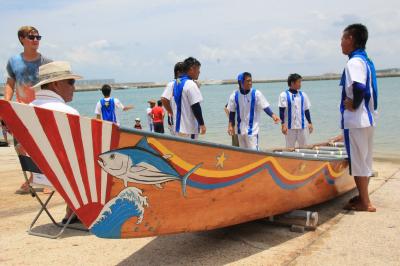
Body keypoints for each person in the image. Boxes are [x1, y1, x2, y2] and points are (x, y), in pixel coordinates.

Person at [1, 26, 52, 194]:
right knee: (20, 147)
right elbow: (10, 83)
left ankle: (46, 179)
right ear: (22, 39)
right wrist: (6, 104)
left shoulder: (46, 62)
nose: (36, 40)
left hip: (41, 109)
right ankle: (34, 176)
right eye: (32, 37)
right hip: (20, 110)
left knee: (42, 146)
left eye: (38, 37)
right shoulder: (13, 61)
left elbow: (53, 86)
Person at [31, 61, 83, 223]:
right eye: (71, 82)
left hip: (38, 175)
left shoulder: (27, 109)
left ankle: (72, 210)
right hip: (62, 177)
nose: (74, 87)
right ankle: (79, 210)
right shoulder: (67, 113)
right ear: (56, 84)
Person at [340, 23, 378, 212]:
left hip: (356, 120)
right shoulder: (366, 61)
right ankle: (363, 198)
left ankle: (365, 202)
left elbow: (359, 87)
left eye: (342, 39)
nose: (340, 43)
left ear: (351, 39)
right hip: (369, 118)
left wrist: (353, 104)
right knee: (365, 160)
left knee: (357, 162)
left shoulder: (354, 62)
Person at [227, 72, 280, 150]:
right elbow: (232, 112)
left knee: (254, 152)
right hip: (240, 131)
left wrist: (273, 115)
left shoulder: (256, 94)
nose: (250, 83)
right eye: (248, 81)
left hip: (252, 131)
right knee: (243, 153)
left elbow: (265, 107)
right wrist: (230, 126)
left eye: (251, 80)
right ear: (241, 82)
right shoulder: (234, 96)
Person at [170, 57, 206, 139]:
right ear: (192, 69)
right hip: (189, 129)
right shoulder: (190, 84)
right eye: (198, 69)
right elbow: (195, 106)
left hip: (178, 127)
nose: (199, 72)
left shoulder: (177, 82)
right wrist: (202, 124)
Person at [278, 73, 313, 148]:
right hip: (289, 128)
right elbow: (281, 111)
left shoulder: (303, 95)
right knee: (289, 148)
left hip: (302, 127)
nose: (300, 84)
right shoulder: (283, 95)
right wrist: (283, 125)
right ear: (292, 83)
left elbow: (306, 110)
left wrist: (310, 123)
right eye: (299, 82)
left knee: (304, 148)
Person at [161, 62, 185, 135]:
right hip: (175, 121)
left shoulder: (184, 83)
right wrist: (171, 112)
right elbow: (164, 98)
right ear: (178, 72)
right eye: (184, 71)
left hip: (183, 120)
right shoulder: (172, 84)